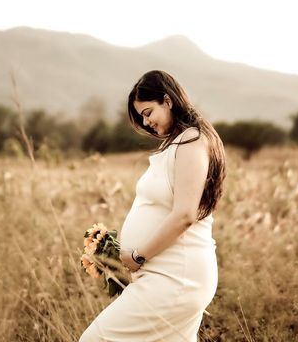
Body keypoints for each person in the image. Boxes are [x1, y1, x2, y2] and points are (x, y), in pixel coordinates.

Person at [79, 69, 227, 342]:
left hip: (176, 279)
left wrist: (137, 256)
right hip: (165, 275)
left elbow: (184, 214)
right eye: (141, 117)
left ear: (168, 101)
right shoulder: (177, 143)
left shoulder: (192, 142)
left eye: (148, 113)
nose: (146, 123)